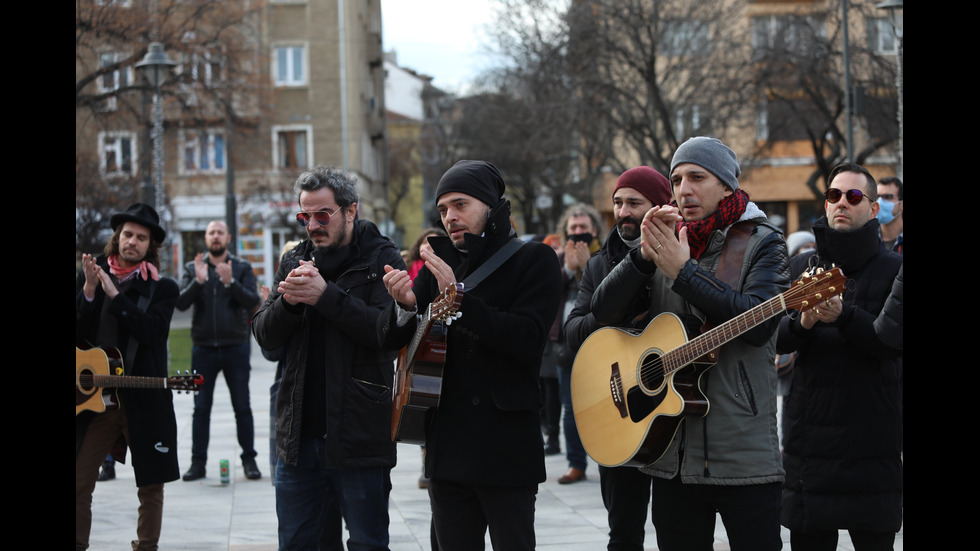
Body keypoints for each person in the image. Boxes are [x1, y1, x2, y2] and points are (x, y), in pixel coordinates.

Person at [567, 138, 791, 551]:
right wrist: (641, 259)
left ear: (726, 185)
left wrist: (683, 272)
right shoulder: (667, 241)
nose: (683, 188)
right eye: (676, 179)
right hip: (671, 457)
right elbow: (603, 311)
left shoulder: (763, 242)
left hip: (744, 457)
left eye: (696, 177)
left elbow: (758, 324)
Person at [379, 160, 561, 550]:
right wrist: (404, 306)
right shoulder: (438, 264)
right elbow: (397, 342)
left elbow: (527, 338)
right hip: (448, 447)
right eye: (443, 209)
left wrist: (458, 300)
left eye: (460, 205)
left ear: (491, 205)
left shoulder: (535, 260)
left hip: (506, 447)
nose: (450, 217)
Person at [252, 166, 403, 550]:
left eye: (323, 215)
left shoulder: (382, 260)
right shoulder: (296, 259)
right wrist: (287, 302)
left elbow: (386, 334)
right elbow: (266, 338)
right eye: (305, 216)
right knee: (298, 543)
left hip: (359, 436)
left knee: (367, 543)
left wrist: (326, 297)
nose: (313, 225)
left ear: (351, 211)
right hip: (298, 438)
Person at [777, 162, 903, 550]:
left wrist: (844, 315)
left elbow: (891, 343)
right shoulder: (801, 266)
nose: (841, 204)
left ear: (873, 207)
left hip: (872, 444)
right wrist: (805, 322)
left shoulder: (894, 269)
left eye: (853, 196)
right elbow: (776, 340)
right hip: (809, 446)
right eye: (834, 195)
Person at [563, 167, 673, 549]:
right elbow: (573, 331)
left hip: (669, 414)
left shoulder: (678, 255)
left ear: (659, 207)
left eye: (634, 203)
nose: (623, 211)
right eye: (618, 202)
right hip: (618, 410)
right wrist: (614, 315)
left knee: (675, 530)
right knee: (623, 532)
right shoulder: (598, 264)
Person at [76, 202, 181, 550]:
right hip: (95, 402)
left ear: (150, 245)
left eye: (140, 237)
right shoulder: (90, 277)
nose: (131, 241)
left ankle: (146, 547)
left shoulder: (162, 288)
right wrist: (90, 292)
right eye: (127, 234)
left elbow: (151, 332)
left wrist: (113, 294)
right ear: (117, 237)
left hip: (143, 400)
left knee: (151, 486)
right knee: (79, 482)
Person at [176, 220, 262, 481]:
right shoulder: (193, 268)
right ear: (206, 237)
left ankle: (249, 460)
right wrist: (198, 282)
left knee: (242, 407)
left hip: (235, 346)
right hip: (203, 349)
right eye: (211, 233)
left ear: (228, 238)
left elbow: (253, 302)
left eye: (219, 233)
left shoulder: (243, 267)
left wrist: (231, 282)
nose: (215, 237)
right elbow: (180, 303)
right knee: (201, 408)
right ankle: (197, 463)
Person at [551, 204, 602, 485]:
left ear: (594, 230)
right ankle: (576, 462)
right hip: (566, 342)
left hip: (599, 339)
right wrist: (569, 269)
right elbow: (546, 293)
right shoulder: (559, 259)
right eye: (574, 229)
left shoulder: (604, 256)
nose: (579, 233)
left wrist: (588, 267)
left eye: (583, 227)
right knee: (570, 407)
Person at [877, 176, 903, 254]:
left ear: (901, 204)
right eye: (877, 197)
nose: (880, 202)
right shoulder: (866, 238)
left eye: (887, 197)